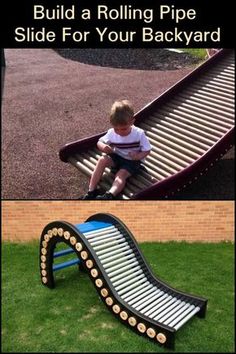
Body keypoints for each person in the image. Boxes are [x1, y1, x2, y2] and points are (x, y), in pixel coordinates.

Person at [82, 99, 151, 200]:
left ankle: (110, 195)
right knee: (102, 159)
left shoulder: (139, 134)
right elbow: (99, 142)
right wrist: (104, 147)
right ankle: (91, 191)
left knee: (120, 175)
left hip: (132, 161)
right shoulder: (112, 132)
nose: (119, 132)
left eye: (123, 129)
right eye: (116, 128)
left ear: (132, 121)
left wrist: (138, 156)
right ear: (111, 123)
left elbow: (147, 149)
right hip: (117, 156)